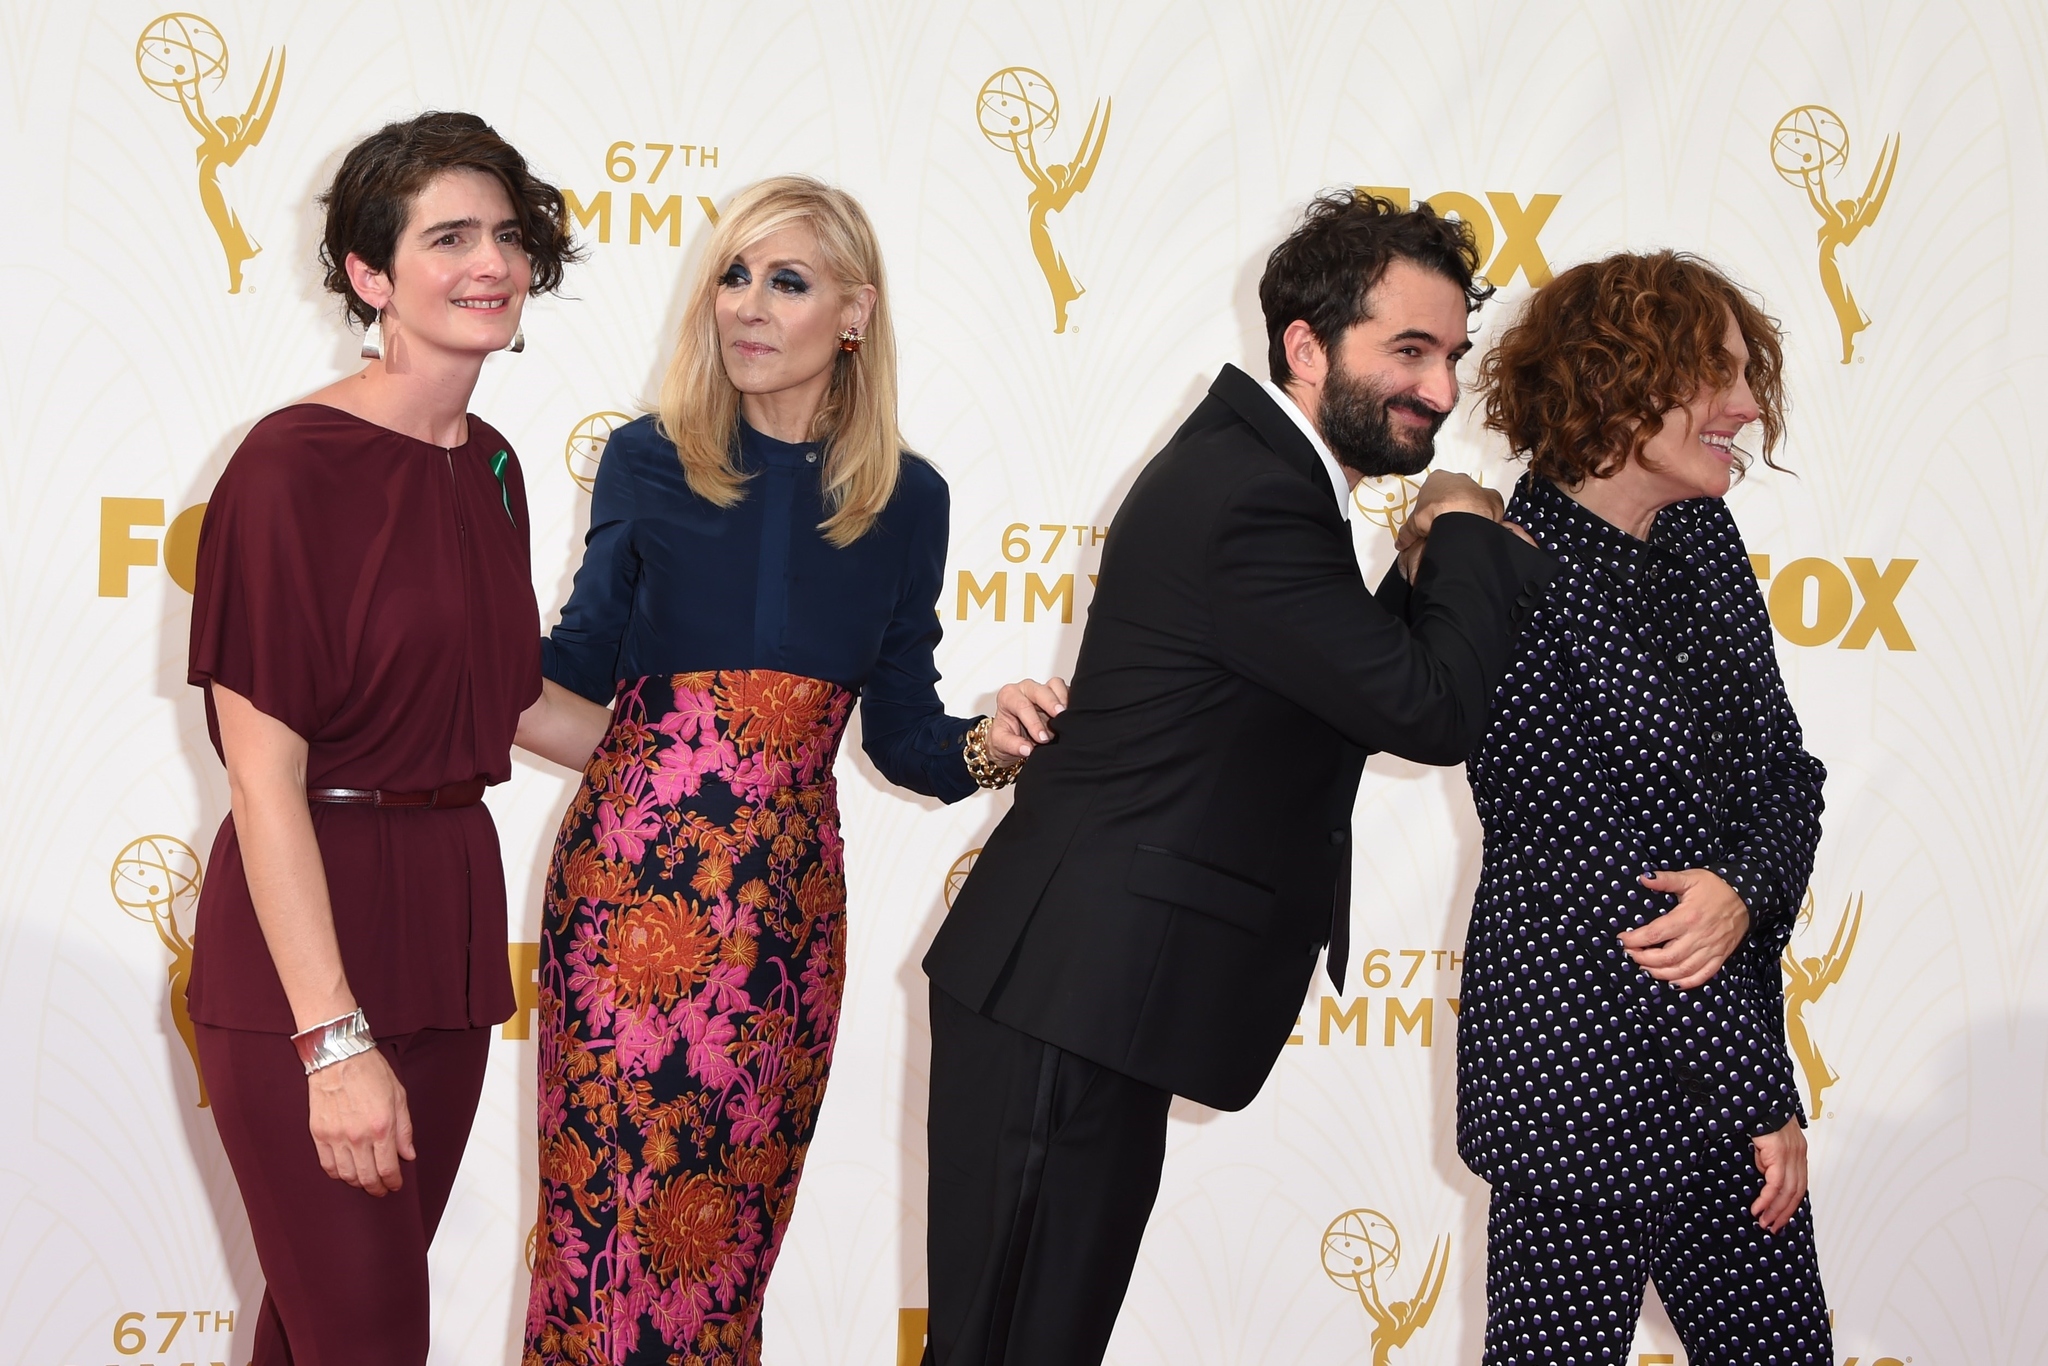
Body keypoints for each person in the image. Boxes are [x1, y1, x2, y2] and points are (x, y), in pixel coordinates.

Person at [919, 190, 1559, 1366]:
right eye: (1406, 351)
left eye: (1450, 356)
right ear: (1305, 347)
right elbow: (1424, 707)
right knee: (1011, 1342)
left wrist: (1421, 563)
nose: (1439, 388)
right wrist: (1460, 523)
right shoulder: (1253, 495)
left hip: (1090, 994)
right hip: (1072, 992)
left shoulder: (1262, 478)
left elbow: (1334, 693)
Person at [511, 175, 1059, 1366]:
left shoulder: (907, 499)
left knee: (722, 1255)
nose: (748, 307)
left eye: (788, 280)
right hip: (628, 900)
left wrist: (993, 739)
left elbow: (903, 732)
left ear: (852, 311)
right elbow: (572, 671)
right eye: (733, 275)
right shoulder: (648, 460)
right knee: (605, 1236)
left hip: (782, 925)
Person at [184, 111, 578, 1365]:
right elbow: (262, 774)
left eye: (507, 236)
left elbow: (506, 699)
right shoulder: (289, 467)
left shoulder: (499, 468)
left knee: (316, 1335)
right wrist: (331, 1036)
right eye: (447, 236)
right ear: (369, 275)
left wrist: (725, 744)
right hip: (312, 951)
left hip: (452, 933)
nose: (490, 263)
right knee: (368, 1343)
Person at [1444, 250, 1831, 1362]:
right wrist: (1761, 1093)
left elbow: (1785, 778)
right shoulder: (1504, 567)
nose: (1746, 408)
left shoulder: (1700, 543)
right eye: (1714, 374)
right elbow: (1629, 878)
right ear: (1616, 382)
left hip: (1720, 1086)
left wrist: (1748, 889)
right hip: (1577, 1086)